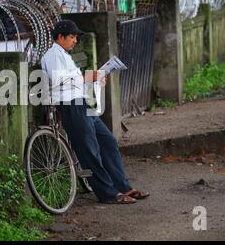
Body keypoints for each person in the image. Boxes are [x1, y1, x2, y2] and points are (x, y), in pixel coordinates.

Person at [41, 19, 149, 204]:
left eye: (76, 37)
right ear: (60, 37)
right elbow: (59, 80)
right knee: (89, 151)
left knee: (108, 142)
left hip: (82, 104)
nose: (75, 41)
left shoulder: (65, 55)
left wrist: (95, 80)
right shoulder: (52, 55)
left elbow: (75, 81)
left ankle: (123, 187)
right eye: (72, 37)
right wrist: (89, 76)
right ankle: (108, 194)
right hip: (70, 106)